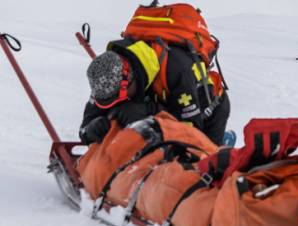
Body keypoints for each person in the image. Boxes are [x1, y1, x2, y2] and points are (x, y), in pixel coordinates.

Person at [79, 39, 230, 146]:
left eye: (119, 99)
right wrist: (92, 130)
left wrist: (149, 112)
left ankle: (223, 142)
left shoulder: (177, 73)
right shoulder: (107, 77)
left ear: (130, 81)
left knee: (203, 164)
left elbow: (189, 134)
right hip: (162, 100)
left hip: (206, 111)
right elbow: (85, 128)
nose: (116, 105)